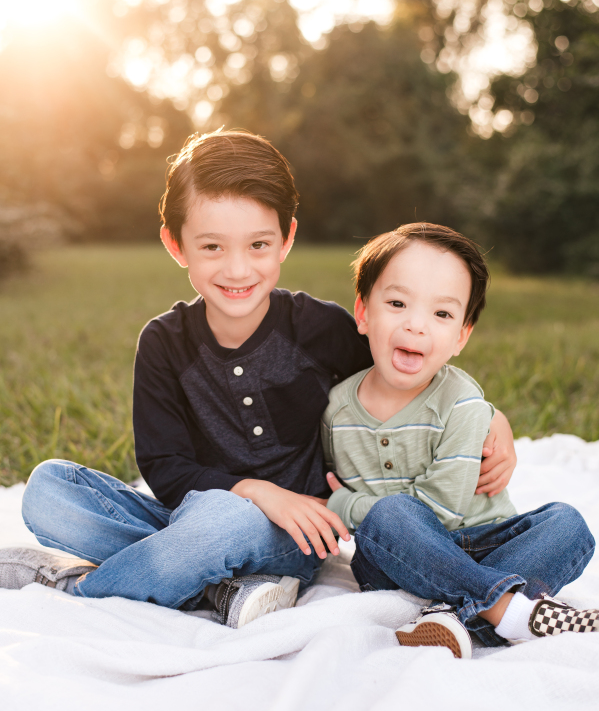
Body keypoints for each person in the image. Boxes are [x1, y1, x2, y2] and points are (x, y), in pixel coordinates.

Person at [0, 133, 516, 629]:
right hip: (198, 514)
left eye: (258, 244)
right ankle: (215, 586)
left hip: (295, 531)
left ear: (286, 238)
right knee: (48, 489)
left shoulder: (318, 327)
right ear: (176, 244)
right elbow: (166, 469)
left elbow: (409, 369)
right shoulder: (163, 342)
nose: (237, 268)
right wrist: (254, 491)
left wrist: (491, 414)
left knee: (223, 522)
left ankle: (76, 593)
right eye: (212, 247)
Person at [323, 222, 598, 658]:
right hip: (396, 555)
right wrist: (353, 508)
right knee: (390, 516)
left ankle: (452, 617)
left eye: (442, 314)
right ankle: (507, 612)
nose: (416, 326)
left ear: (461, 337)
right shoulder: (337, 408)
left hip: (484, 538)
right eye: (396, 303)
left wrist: (351, 504)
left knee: (568, 525)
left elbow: (443, 509)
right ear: (363, 313)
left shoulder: (464, 402)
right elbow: (343, 502)